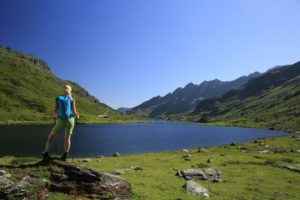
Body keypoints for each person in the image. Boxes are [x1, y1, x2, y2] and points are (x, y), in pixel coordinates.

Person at [42, 85, 79, 161]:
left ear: (64, 90)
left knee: (51, 137)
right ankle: (65, 155)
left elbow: (55, 111)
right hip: (70, 120)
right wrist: (77, 117)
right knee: (67, 138)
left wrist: (54, 118)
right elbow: (74, 112)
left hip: (61, 120)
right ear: (70, 91)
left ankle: (46, 153)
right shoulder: (72, 99)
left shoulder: (58, 98)